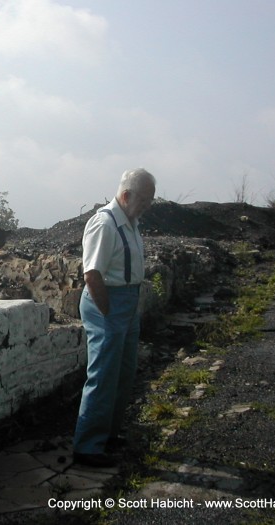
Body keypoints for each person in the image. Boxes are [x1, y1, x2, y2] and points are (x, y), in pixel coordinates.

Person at [73, 168, 156, 467]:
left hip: (126, 302)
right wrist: (107, 313)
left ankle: (108, 434)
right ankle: (87, 447)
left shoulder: (130, 222)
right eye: (144, 200)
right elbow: (92, 274)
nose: (147, 205)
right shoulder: (105, 224)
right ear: (126, 195)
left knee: (123, 371)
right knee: (104, 374)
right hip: (106, 302)